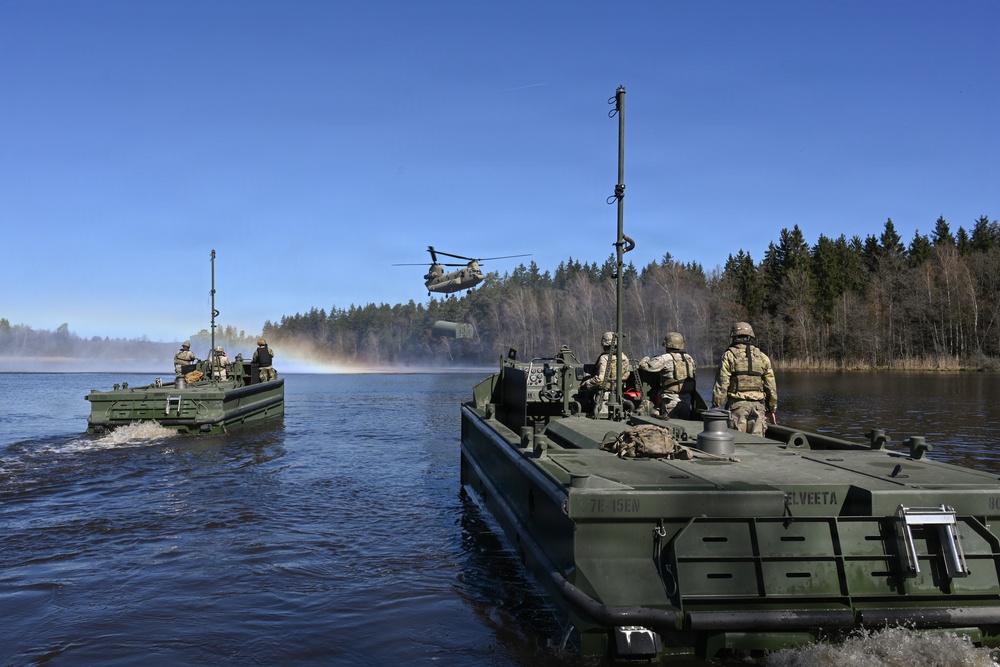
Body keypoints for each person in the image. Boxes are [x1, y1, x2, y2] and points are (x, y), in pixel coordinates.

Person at [712, 322, 777, 435]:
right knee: (758, 444)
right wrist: (772, 410)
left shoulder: (729, 355)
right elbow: (771, 387)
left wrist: (715, 407)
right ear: (751, 336)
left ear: (734, 336)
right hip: (758, 408)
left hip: (737, 408)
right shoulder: (762, 357)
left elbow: (722, 385)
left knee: (737, 445)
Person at [639, 331, 697, 419]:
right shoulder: (689, 358)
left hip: (671, 399)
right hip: (687, 400)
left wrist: (645, 358)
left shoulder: (665, 358)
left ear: (667, 345)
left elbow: (645, 366)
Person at [579, 331, 631, 414]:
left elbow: (600, 379)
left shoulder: (604, 358)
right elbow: (626, 375)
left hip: (604, 397)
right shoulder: (624, 357)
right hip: (619, 395)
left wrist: (586, 384)